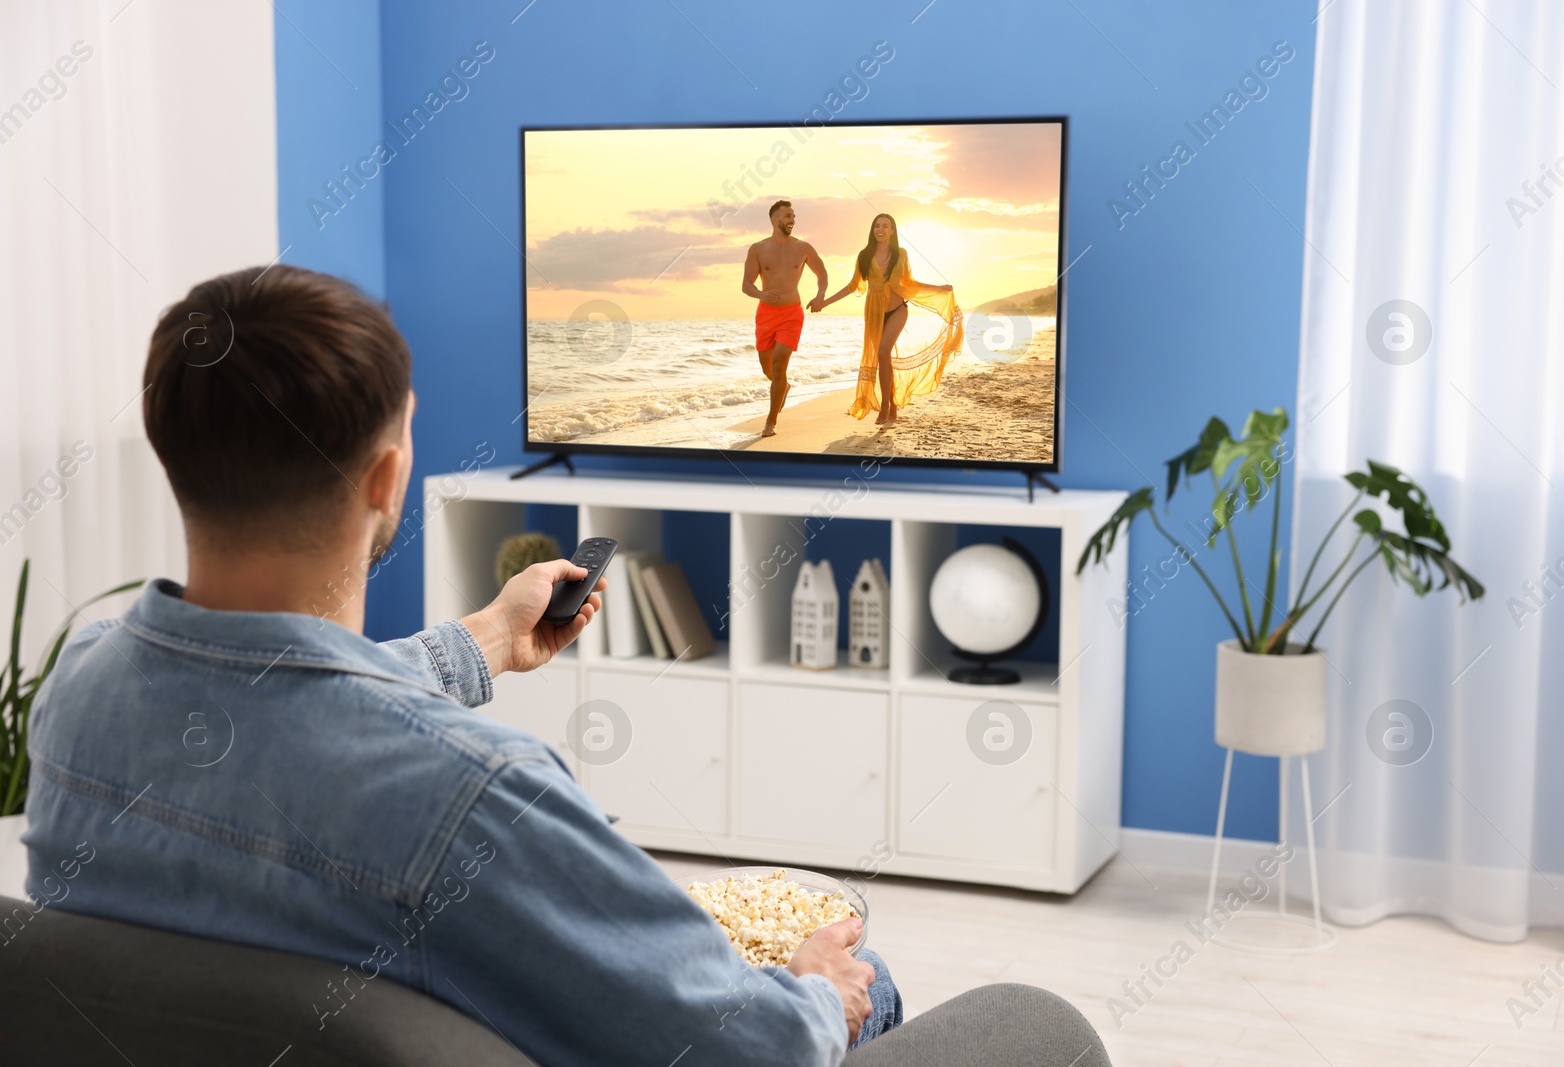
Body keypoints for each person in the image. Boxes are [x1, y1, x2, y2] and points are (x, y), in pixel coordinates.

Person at [23, 265, 901, 1065]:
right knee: (868, 978)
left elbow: (282, 703)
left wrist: (482, 639)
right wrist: (820, 990)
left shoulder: (83, 684)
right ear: (385, 478)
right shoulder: (478, 792)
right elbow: (753, 1051)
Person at [812, 213, 963, 426]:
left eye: (885, 225)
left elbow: (909, 281)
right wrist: (824, 302)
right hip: (873, 314)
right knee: (884, 359)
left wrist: (938, 288)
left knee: (883, 352)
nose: (880, 229)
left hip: (898, 309)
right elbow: (852, 286)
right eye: (876, 225)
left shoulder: (901, 254)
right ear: (872, 230)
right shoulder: (864, 256)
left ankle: (884, 407)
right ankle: (891, 404)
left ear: (892, 230)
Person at [743, 199, 828, 437]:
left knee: (780, 365)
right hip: (766, 315)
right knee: (768, 369)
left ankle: (771, 421)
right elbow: (746, 285)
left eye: (794, 216)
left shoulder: (803, 248)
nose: (792, 220)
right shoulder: (757, 249)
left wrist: (820, 294)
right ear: (774, 219)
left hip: (792, 313)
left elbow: (822, 272)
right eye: (788, 216)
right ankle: (783, 387)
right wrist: (761, 294)